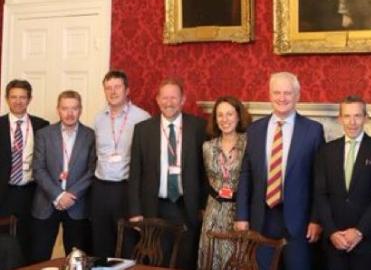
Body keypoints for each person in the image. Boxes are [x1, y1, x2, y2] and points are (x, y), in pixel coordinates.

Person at [235, 72, 325, 270]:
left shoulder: (313, 130)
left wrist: (316, 219)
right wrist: (242, 215)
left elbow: (320, 181)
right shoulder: (255, 130)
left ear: (297, 96)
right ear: (269, 95)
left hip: (299, 222)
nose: (282, 98)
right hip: (262, 218)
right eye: (277, 92)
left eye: (287, 93)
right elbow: (246, 174)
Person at [128, 78, 208, 270]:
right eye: (164, 98)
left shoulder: (199, 127)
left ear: (183, 100)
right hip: (155, 206)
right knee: (158, 259)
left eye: (174, 98)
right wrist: (135, 211)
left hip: (186, 206)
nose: (168, 102)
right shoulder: (143, 130)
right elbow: (135, 173)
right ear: (157, 100)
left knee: (185, 259)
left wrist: (204, 205)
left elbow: (205, 171)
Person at [313, 95, 371, 269]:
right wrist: (332, 232)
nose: (352, 122)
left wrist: (359, 231)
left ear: (366, 118)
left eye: (357, 116)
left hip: (367, 242)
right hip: (334, 242)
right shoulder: (326, 151)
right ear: (340, 118)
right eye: (347, 116)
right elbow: (320, 195)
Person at [31, 90, 96, 262]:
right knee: (39, 257)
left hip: (77, 205)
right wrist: (58, 195)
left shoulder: (90, 136)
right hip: (46, 202)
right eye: (65, 108)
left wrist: (71, 195)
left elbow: (92, 170)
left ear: (80, 109)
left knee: (76, 260)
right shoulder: (44, 134)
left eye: (74, 108)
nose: (69, 113)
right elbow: (37, 169)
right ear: (58, 109)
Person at [91, 70, 150, 258]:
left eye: (117, 87)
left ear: (127, 90)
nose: (113, 92)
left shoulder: (142, 117)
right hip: (100, 188)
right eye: (108, 88)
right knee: (101, 242)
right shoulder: (98, 119)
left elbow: (147, 160)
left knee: (127, 243)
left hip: (127, 189)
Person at [197, 96, 251, 269]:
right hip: (213, 211)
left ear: (238, 116)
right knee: (210, 260)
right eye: (220, 115)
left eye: (229, 114)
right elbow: (203, 180)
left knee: (236, 260)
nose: (224, 119)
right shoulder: (207, 147)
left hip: (239, 212)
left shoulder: (249, 144)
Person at [0, 80, 49, 264]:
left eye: (22, 97)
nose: (18, 101)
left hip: (31, 192)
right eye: (14, 97)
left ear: (29, 99)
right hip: (3, 193)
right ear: (7, 99)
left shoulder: (42, 126)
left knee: (29, 240)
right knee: (4, 244)